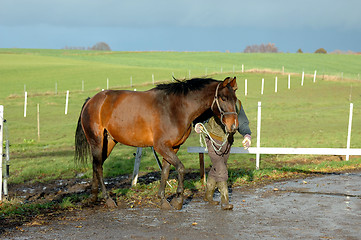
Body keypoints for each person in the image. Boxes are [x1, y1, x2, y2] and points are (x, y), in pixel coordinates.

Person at [196, 98, 251, 210]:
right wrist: (198, 124)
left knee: (218, 167)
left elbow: (242, 121)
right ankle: (225, 201)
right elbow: (200, 116)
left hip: (228, 141)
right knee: (221, 168)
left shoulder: (237, 104)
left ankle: (208, 195)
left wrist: (247, 135)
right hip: (212, 139)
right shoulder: (213, 103)